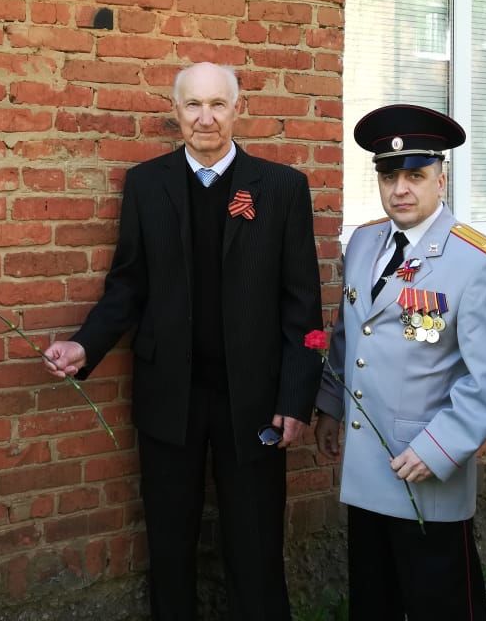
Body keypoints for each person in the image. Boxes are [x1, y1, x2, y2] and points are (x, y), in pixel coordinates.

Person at [43, 62, 323, 620]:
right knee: (170, 545)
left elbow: (302, 307)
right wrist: (85, 345)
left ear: (237, 110)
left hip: (255, 399)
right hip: (169, 393)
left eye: (218, 104)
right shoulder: (147, 185)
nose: (205, 118)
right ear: (175, 112)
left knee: (256, 542)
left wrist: (295, 398)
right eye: (193, 105)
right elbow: (128, 286)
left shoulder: (283, 188)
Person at [314, 104, 486, 621]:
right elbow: (350, 333)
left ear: (441, 179)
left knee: (441, 602)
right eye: (390, 176)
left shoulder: (477, 259)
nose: (400, 189)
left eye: (415, 175)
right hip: (367, 462)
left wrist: (440, 447)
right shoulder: (364, 243)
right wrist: (330, 406)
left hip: (424, 464)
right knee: (374, 599)